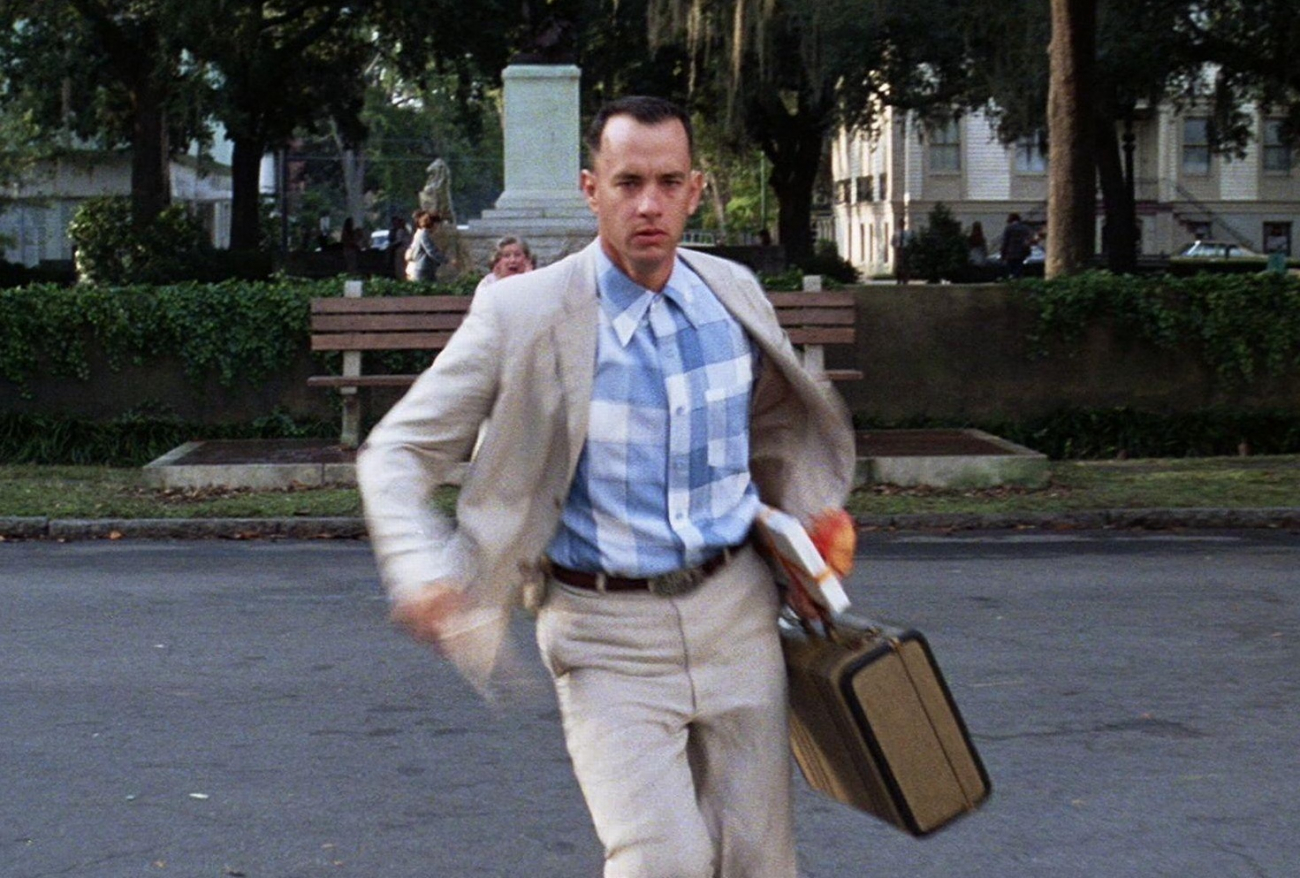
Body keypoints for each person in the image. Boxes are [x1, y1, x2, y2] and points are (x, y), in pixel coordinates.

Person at [356, 95, 856, 877]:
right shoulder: (522, 312)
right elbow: (396, 452)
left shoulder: (732, 294)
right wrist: (423, 570)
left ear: (695, 190)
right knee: (662, 862)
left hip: (739, 618)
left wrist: (800, 530)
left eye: (667, 182)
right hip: (604, 635)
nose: (648, 204)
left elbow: (769, 434)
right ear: (592, 190)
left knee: (758, 863)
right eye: (628, 183)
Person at [405, 210, 445, 281]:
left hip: (426, 268)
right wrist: (446, 260)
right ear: (433, 224)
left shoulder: (422, 233)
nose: (438, 227)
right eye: (437, 224)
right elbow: (431, 251)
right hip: (423, 268)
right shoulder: (424, 234)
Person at [1000, 212, 1033, 278]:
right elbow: (1028, 240)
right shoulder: (1025, 228)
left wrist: (1002, 253)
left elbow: (1005, 241)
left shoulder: (1009, 228)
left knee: (1011, 270)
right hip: (1022, 252)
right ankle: (1018, 279)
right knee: (1019, 269)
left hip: (1010, 252)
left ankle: (1012, 279)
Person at [386, 215, 412, 280]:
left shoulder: (401, 231)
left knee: (401, 267)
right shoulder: (393, 231)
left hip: (402, 251)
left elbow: (399, 241)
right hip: (402, 251)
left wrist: (391, 246)